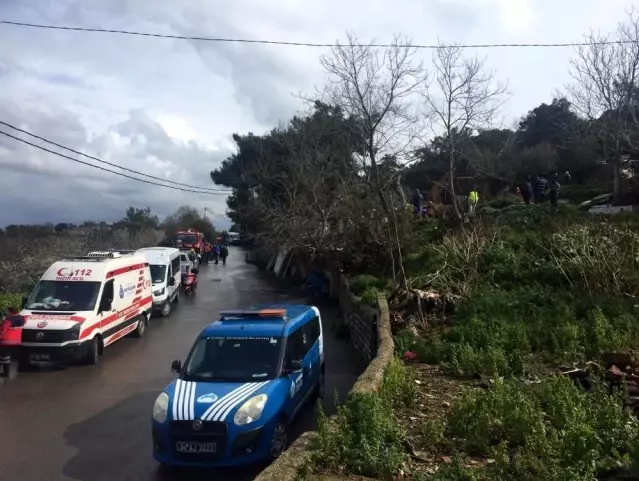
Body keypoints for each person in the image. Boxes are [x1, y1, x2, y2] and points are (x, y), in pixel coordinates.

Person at [0, 307, 24, 377]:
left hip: (7, 341)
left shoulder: (8, 320)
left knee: (4, 357)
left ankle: (6, 373)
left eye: (7, 312)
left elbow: (3, 331)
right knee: (9, 356)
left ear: (10, 312)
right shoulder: (22, 319)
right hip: (17, 341)